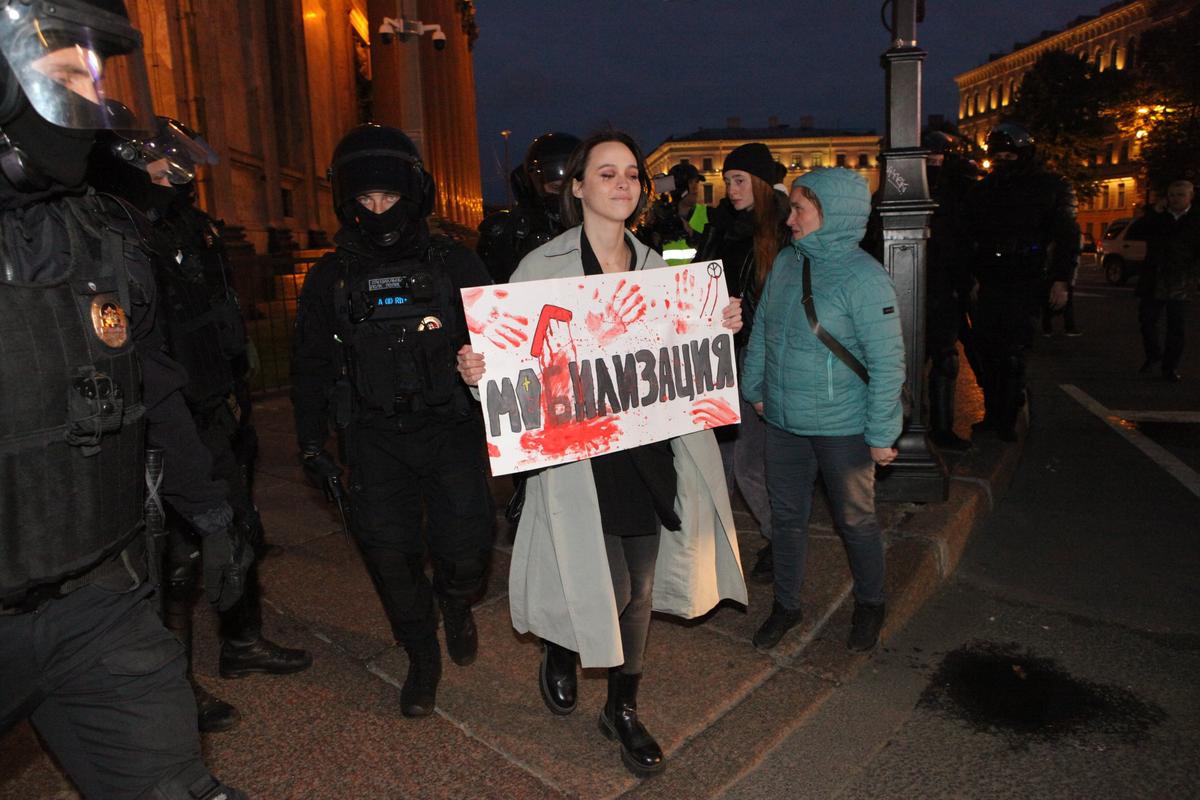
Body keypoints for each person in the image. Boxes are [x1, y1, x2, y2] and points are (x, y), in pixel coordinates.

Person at [0, 2, 247, 797]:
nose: (89, 105)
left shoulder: (101, 238)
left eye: (95, 82)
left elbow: (151, 394)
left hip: (94, 605)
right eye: (68, 78)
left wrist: (210, 512)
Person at [455, 131, 747, 777]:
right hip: (582, 457)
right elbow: (519, 376)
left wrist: (719, 327)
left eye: (632, 175)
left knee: (637, 588)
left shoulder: (667, 268)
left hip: (648, 450)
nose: (623, 184)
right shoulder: (539, 268)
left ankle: (621, 707)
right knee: (604, 579)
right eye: (606, 173)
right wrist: (482, 373)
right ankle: (562, 644)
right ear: (578, 187)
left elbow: (686, 360)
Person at [87, 117, 313, 734]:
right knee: (177, 559)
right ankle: (174, 688)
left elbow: (217, 314)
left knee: (239, 528)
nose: (174, 176)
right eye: (160, 167)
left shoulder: (190, 226)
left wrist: (241, 381)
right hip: (167, 420)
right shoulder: (116, 235)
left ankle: (242, 642)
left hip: (217, 405)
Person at [291, 124, 494, 719]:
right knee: (389, 555)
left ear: (413, 195)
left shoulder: (457, 262)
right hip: (374, 439)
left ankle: (455, 603)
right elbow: (310, 364)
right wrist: (310, 444)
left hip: (449, 429)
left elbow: (505, 345)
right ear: (348, 202)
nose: (378, 210)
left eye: (389, 197)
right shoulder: (330, 277)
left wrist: (479, 366)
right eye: (366, 199)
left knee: (466, 551)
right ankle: (420, 653)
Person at [743, 167, 905, 653]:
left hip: (844, 430)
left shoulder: (865, 278)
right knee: (787, 518)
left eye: (800, 210)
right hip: (785, 422)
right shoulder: (790, 265)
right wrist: (755, 388)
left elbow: (887, 363)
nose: (789, 219)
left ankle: (870, 603)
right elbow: (763, 335)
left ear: (831, 215)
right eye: (791, 208)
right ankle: (786, 606)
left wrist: (881, 434)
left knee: (856, 520)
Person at [696, 142, 790, 582]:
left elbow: (784, 303)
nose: (731, 189)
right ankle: (716, 546)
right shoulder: (720, 227)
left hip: (758, 357)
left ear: (759, 182)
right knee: (719, 457)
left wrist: (745, 316)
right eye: (727, 180)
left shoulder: (782, 229)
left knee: (750, 463)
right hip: (718, 357)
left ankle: (781, 541)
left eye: (739, 180)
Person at [965, 122, 1077, 441]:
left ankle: (1007, 417)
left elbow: (1066, 237)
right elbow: (969, 236)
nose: (1002, 160)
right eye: (997, 155)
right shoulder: (983, 190)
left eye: (1009, 154)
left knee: (1013, 350)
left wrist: (1060, 280)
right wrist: (970, 277)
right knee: (987, 349)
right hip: (990, 278)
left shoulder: (1051, 186)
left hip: (1027, 277)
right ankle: (994, 411)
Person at [923, 130, 978, 451]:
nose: (933, 162)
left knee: (945, 358)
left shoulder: (960, 193)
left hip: (944, 286)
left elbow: (965, 241)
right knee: (905, 363)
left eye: (937, 156)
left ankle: (942, 427)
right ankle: (912, 424)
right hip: (912, 284)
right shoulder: (900, 186)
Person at [477, 131, 581, 283]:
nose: (565, 197)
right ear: (533, 185)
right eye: (556, 188)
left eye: (573, 189)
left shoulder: (603, 231)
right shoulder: (505, 235)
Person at [1136, 180, 1199, 383]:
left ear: (1190, 197)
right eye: (1172, 195)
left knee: (1176, 326)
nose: (1175, 199)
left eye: (1180, 195)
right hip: (1154, 275)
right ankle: (1153, 354)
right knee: (1147, 320)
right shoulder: (1158, 217)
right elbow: (1137, 231)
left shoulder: (1195, 220)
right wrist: (1154, 211)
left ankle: (1169, 367)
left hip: (1180, 277)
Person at [636, 161, 708, 264]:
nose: (696, 189)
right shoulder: (660, 218)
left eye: (697, 183)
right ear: (680, 187)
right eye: (692, 183)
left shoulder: (708, 214)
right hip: (667, 279)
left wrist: (692, 234)